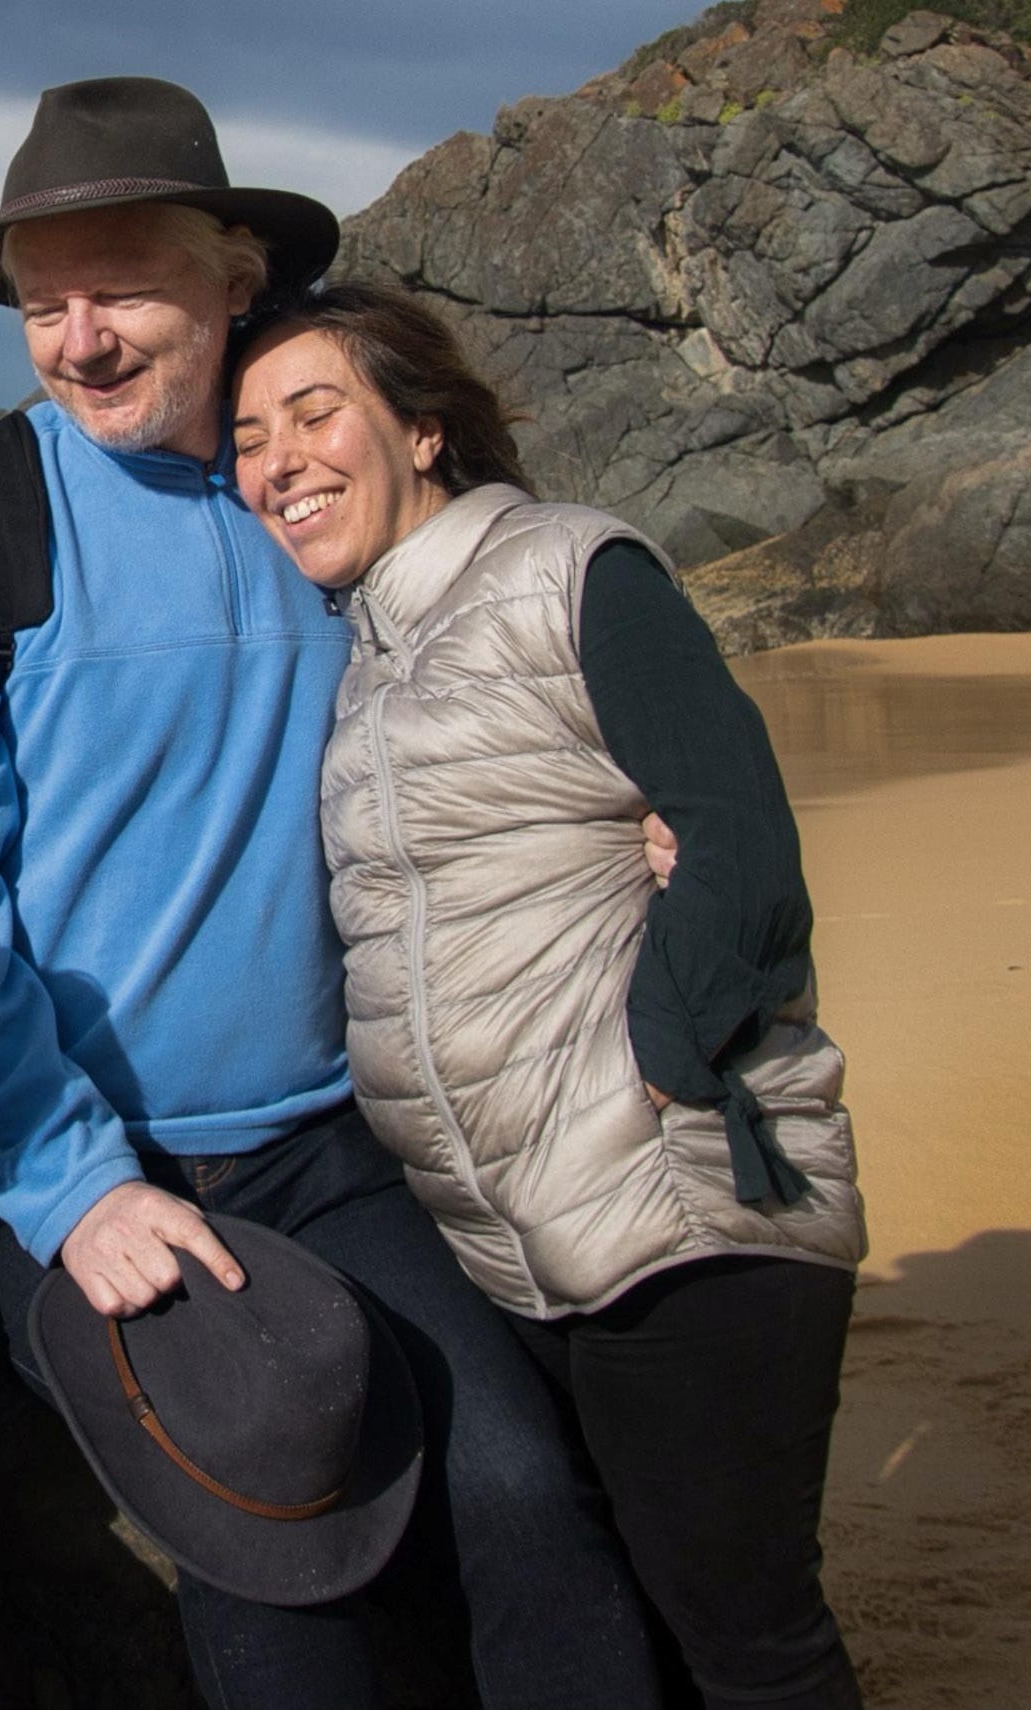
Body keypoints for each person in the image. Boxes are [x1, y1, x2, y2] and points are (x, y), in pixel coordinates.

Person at [0, 76, 665, 1710]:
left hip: (322, 1137)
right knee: (276, 1547)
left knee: (519, 1491)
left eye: (124, 287)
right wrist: (76, 1190)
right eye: (42, 301)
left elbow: (495, 676)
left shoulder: (322, 486)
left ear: (236, 280)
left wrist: (629, 815)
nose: (78, 337)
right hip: (45, 1163)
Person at [228, 279, 869, 1710]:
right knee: (656, 1612)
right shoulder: (370, 654)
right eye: (251, 436)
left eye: (317, 410)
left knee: (749, 1640)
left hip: (677, 1205)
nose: (279, 459)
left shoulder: (570, 571)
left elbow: (741, 841)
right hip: (523, 1233)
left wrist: (663, 1058)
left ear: (428, 428)